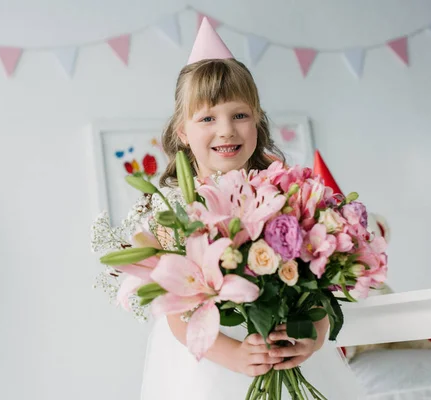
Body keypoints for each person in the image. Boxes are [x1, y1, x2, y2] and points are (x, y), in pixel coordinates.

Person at [137, 18, 366, 399]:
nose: (226, 130)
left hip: (287, 355)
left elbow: (321, 286)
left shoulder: (284, 194)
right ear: (182, 132)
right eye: (208, 118)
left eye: (239, 115)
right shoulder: (176, 212)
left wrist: (314, 336)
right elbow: (178, 316)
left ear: (257, 120)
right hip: (213, 366)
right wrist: (235, 356)